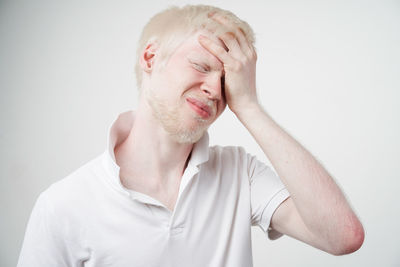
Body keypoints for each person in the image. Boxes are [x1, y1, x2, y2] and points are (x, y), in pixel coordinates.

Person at [17, 5, 364, 267]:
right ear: (151, 58)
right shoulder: (62, 206)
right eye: (201, 66)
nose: (214, 89)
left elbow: (343, 237)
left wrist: (251, 107)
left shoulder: (240, 173)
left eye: (227, 81)